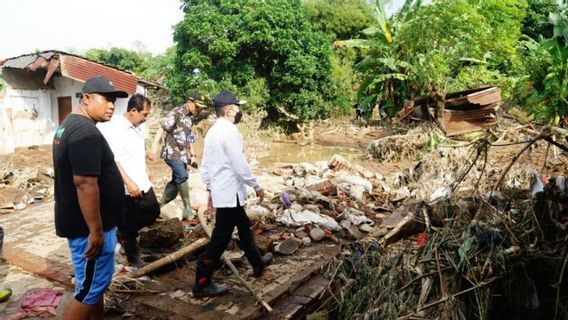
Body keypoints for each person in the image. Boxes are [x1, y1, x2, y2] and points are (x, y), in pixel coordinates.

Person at [52, 76, 127, 320]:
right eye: (106, 99)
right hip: (90, 229)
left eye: (114, 101)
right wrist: (95, 230)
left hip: (81, 224)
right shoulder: (85, 133)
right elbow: (84, 183)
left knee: (94, 286)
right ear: (86, 98)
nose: (112, 105)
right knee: (88, 290)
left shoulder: (69, 126)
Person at [193, 90, 272, 297]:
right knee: (220, 240)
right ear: (229, 111)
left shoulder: (212, 132)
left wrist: (210, 188)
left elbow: (206, 166)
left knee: (244, 227)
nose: (239, 112)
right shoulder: (230, 133)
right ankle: (201, 281)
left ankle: (257, 263)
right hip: (229, 193)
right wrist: (256, 185)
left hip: (225, 192)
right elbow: (239, 165)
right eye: (237, 108)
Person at [97, 94, 160, 267]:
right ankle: (133, 256)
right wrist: (128, 183)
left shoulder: (136, 126)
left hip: (141, 179)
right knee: (129, 222)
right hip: (126, 186)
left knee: (152, 210)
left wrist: (145, 168)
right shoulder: (116, 128)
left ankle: (123, 234)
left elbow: (134, 152)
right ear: (133, 111)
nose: (146, 118)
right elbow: (113, 160)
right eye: (145, 114)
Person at [150, 93, 207, 220]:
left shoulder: (190, 118)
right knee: (182, 176)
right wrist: (154, 148)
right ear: (189, 102)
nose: (199, 110)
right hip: (172, 152)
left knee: (176, 180)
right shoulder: (177, 112)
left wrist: (192, 154)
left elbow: (189, 137)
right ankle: (187, 209)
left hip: (182, 154)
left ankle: (162, 206)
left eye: (200, 108)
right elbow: (162, 128)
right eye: (197, 107)